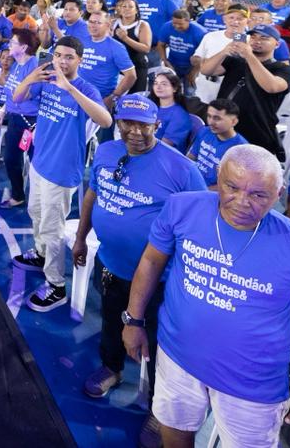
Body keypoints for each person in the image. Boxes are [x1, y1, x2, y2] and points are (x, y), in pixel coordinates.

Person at [122, 145, 290, 446]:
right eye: (232, 187)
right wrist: (133, 320)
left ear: (279, 193)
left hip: (251, 383)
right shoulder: (182, 207)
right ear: (218, 176)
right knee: (173, 432)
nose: (242, 202)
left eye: (258, 195)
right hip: (176, 357)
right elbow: (151, 261)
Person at [72, 95, 206, 442]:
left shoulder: (182, 170)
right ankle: (112, 368)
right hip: (112, 265)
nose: (135, 132)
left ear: (156, 126)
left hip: (161, 279)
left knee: (161, 345)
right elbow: (92, 196)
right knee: (111, 321)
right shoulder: (106, 152)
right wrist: (81, 237)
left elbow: (200, 224)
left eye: (143, 125)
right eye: (127, 123)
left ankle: (160, 409)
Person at [10, 37, 113, 312]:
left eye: (69, 57)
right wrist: (31, 77)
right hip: (40, 161)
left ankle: (56, 286)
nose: (62, 61)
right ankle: (40, 254)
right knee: (35, 213)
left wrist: (69, 88)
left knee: (52, 228)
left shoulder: (86, 88)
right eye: (58, 55)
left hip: (62, 170)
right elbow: (17, 97)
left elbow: (105, 120)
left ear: (80, 60)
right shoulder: (46, 80)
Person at [196, 24, 290, 159]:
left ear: (277, 44)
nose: (257, 41)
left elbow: (272, 87)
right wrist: (224, 51)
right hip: (224, 124)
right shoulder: (236, 60)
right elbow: (206, 70)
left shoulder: (282, 69)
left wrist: (249, 56)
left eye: (264, 38)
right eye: (253, 37)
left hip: (254, 130)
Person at [0, 28, 41, 208]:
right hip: (15, 118)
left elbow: (23, 95)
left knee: (35, 163)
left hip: (31, 122)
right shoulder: (17, 65)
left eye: (13, 42)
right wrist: (3, 110)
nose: (9, 44)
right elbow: (10, 92)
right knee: (11, 159)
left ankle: (38, 200)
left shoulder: (34, 67)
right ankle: (18, 195)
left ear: (24, 47)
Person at [190, 2, 248, 104]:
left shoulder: (249, 41)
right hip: (204, 91)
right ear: (224, 19)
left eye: (240, 19)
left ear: (247, 21)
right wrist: (205, 62)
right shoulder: (210, 36)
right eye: (231, 17)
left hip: (229, 96)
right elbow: (195, 58)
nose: (235, 22)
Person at [78, 10, 137, 111]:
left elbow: (131, 76)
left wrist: (113, 97)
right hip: (78, 94)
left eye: (98, 22)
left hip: (99, 99)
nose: (93, 25)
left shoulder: (116, 47)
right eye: (91, 22)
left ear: (107, 25)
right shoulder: (82, 41)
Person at [185, 98, 247, 187]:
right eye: (209, 116)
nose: (211, 122)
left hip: (208, 191)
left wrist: (202, 191)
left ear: (234, 121)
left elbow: (231, 186)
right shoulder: (204, 131)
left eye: (217, 118)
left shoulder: (240, 149)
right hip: (190, 182)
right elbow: (190, 158)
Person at [155, 9, 206, 94]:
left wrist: (194, 72)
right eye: (174, 23)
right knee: (171, 91)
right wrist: (165, 61)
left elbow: (204, 54)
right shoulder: (167, 27)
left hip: (191, 66)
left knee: (189, 92)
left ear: (188, 21)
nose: (176, 26)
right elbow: (160, 44)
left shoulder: (200, 32)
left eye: (180, 24)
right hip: (173, 64)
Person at [148, 68, 194, 152]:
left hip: (163, 155)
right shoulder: (152, 107)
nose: (158, 87)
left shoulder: (180, 116)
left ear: (174, 88)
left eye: (164, 84)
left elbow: (164, 146)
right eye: (156, 83)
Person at [113, 0, 155, 85]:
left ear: (136, 10)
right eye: (124, 6)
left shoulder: (142, 25)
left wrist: (125, 38)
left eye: (130, 7)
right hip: (117, 67)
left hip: (137, 67)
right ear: (120, 9)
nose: (127, 9)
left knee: (136, 94)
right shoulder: (113, 23)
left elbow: (146, 48)